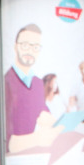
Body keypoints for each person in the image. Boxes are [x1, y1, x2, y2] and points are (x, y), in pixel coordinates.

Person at [4, 24, 59, 154]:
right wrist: (36, 139)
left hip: (33, 160)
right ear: (15, 46)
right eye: (25, 45)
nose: (30, 51)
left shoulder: (38, 83)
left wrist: (58, 125)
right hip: (16, 164)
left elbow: (44, 115)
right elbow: (7, 142)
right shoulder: (6, 82)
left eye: (35, 47)